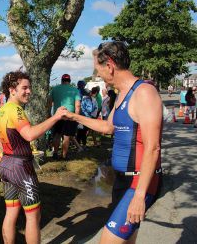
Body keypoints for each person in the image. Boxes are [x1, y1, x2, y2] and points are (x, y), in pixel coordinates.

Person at [62, 41, 163, 243]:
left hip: (139, 183)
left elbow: (153, 148)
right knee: (127, 239)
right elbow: (108, 127)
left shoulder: (143, 93)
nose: (98, 76)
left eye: (98, 71)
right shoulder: (121, 95)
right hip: (122, 180)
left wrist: (139, 196)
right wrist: (74, 117)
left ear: (109, 65)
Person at [0, 70, 65, 244]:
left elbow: (0, 139)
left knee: (11, 213)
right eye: (24, 88)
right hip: (21, 167)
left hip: (6, 165)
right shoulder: (17, 111)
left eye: (30, 88)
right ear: (12, 90)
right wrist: (56, 117)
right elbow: (29, 134)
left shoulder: (3, 110)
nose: (29, 91)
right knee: (33, 216)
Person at [48, 74, 82, 160]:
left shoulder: (54, 89)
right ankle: (64, 155)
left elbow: (49, 102)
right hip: (69, 116)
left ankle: (55, 153)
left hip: (58, 115)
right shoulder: (75, 90)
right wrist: (77, 117)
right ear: (69, 81)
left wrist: (49, 114)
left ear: (61, 80)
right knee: (67, 136)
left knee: (57, 135)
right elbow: (77, 106)